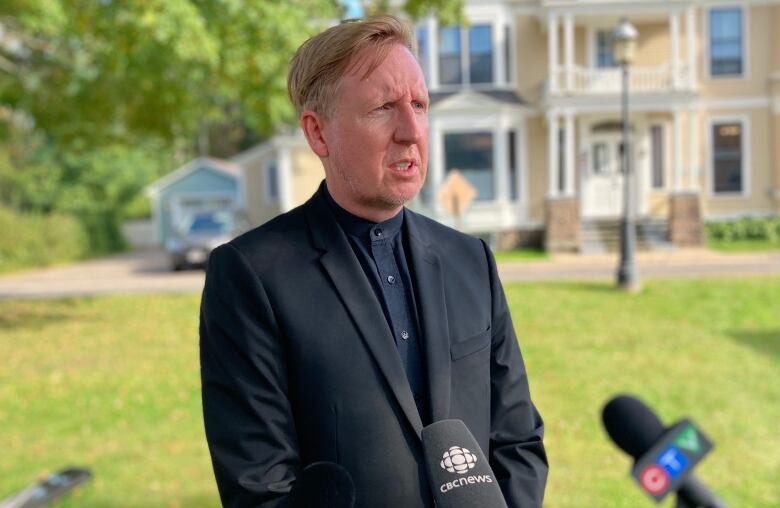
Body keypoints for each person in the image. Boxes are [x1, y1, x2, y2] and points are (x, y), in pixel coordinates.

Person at [200, 15, 548, 508]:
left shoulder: (471, 260)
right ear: (318, 134)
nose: (411, 131)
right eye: (384, 108)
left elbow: (518, 440)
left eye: (420, 105)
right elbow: (260, 486)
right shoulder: (251, 275)